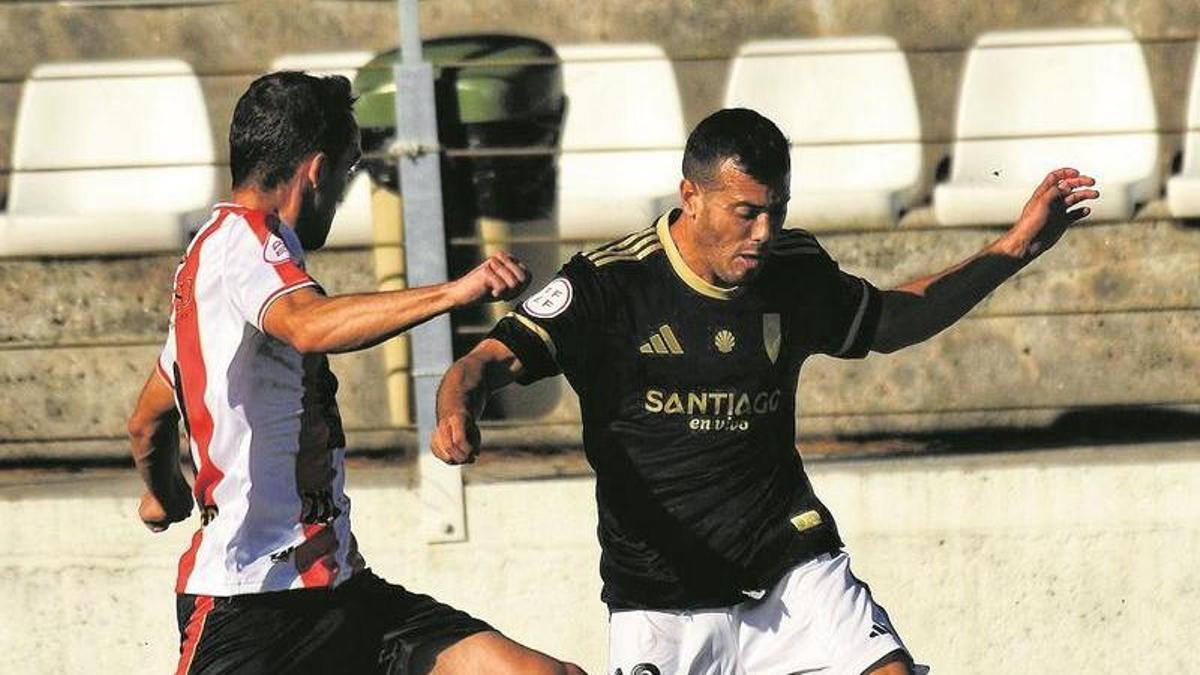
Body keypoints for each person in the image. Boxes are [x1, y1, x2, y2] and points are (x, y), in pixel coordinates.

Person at [433, 108, 1099, 674]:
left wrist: (1013, 248)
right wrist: (456, 408)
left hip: (790, 562)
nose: (763, 233)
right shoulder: (611, 285)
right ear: (690, 196)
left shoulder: (794, 270)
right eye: (745, 212)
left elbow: (896, 318)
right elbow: (485, 359)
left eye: (775, 211)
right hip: (662, 595)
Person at [126, 71, 585, 675]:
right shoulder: (244, 244)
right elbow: (309, 325)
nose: (341, 197)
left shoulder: (211, 270)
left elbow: (148, 419)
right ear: (317, 171)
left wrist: (164, 494)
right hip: (252, 609)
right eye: (346, 175)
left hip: (343, 594)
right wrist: (458, 289)